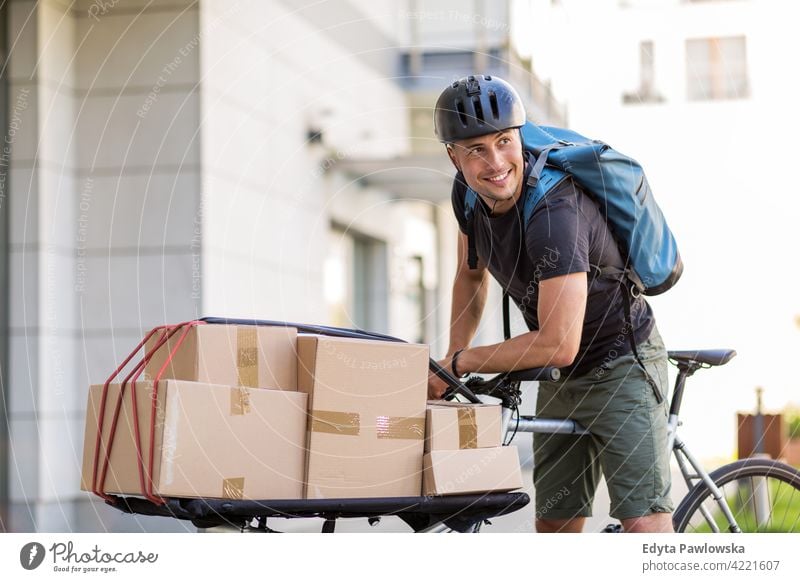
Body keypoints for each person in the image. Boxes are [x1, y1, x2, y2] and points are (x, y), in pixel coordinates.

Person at [427, 75, 674, 533]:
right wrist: (449, 366)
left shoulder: (554, 213)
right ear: (453, 156)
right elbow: (471, 272)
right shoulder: (467, 194)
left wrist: (461, 362)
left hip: (622, 365)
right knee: (557, 529)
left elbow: (558, 342)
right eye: (476, 150)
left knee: (644, 528)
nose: (496, 162)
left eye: (504, 142)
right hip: (564, 376)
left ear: (519, 136)